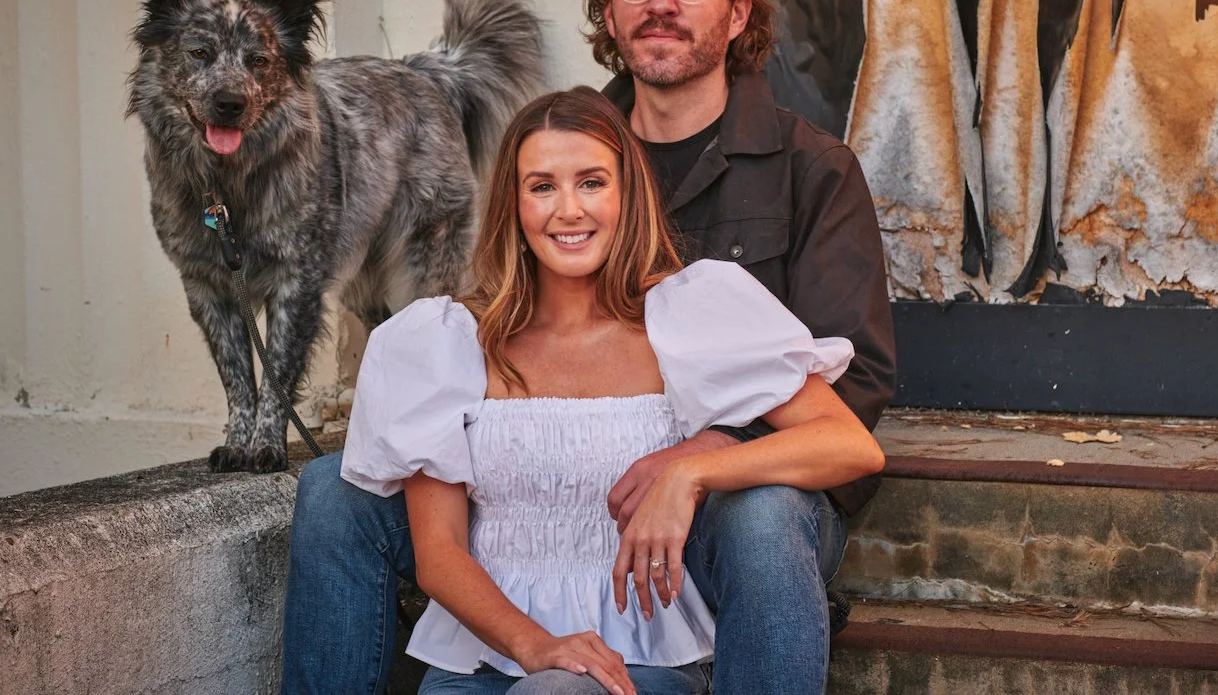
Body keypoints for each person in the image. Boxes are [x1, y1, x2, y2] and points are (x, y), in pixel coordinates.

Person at [281, 0, 896, 694]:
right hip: (547, 504)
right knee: (334, 490)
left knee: (763, 514)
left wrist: (699, 458)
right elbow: (496, 313)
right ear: (609, 11)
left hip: (737, 499)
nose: (661, 2)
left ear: (739, 13)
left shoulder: (809, 169)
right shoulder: (563, 138)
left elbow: (853, 393)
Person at [339, 86, 885, 695]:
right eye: (542, 187)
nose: (569, 209)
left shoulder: (687, 314)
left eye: (592, 183)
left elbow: (849, 445)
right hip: (487, 660)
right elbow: (438, 554)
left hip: (639, 664)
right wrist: (536, 646)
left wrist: (689, 473)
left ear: (628, 195)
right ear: (513, 206)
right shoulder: (447, 340)